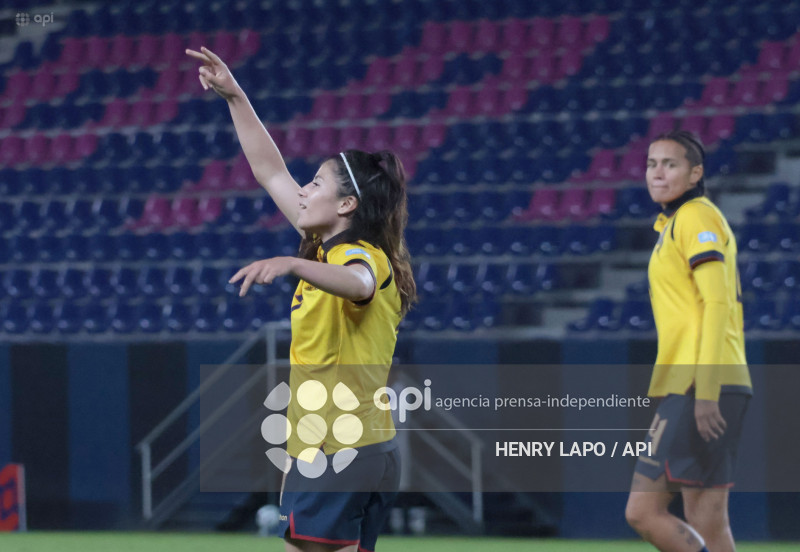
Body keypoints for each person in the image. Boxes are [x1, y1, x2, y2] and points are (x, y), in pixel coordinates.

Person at [186, 46, 416, 552]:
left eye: (315, 183)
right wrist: (236, 97)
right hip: (336, 448)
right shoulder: (327, 246)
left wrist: (289, 264)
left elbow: (358, 284)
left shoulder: (362, 255)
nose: (304, 191)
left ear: (347, 205)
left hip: (345, 448)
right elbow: (270, 171)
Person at [625, 131, 752, 552]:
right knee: (707, 520)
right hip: (709, 379)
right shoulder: (677, 222)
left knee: (642, 511)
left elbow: (717, 305)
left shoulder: (696, 217)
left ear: (695, 172)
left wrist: (706, 393)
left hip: (700, 382)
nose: (657, 173)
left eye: (670, 164)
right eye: (651, 163)